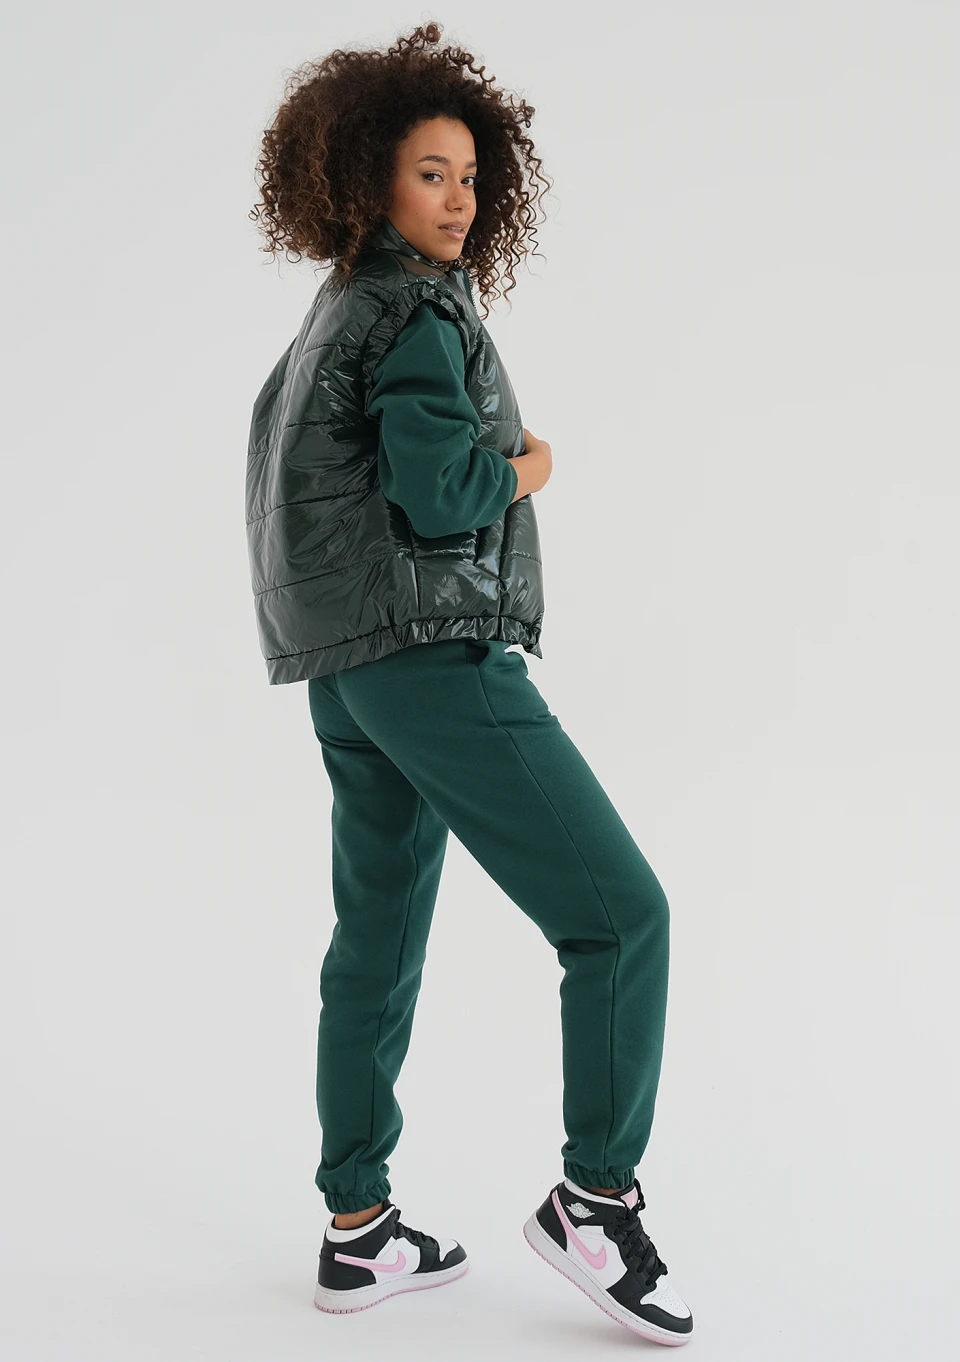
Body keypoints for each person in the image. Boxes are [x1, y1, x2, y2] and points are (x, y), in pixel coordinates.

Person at [245, 21, 694, 1345]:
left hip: (347, 672)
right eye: (431, 173)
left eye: (470, 177)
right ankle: (595, 1200)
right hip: (431, 655)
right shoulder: (416, 312)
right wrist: (529, 468)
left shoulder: (333, 312)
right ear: (368, 179)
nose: (459, 200)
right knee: (622, 916)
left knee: (375, 941)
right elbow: (443, 494)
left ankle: (357, 1228)